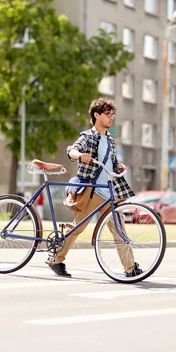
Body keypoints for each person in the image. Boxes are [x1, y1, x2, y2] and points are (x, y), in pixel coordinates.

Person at [46, 98, 141, 278]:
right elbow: (71, 150)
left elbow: (110, 163)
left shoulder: (110, 140)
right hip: (93, 191)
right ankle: (56, 259)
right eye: (107, 114)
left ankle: (130, 269)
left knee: (120, 231)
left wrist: (118, 166)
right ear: (96, 115)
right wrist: (80, 155)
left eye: (112, 114)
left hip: (109, 193)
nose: (111, 117)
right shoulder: (88, 136)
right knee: (78, 228)